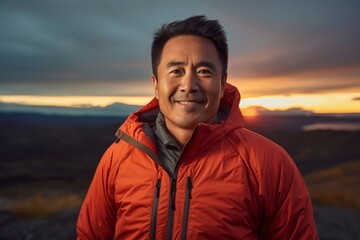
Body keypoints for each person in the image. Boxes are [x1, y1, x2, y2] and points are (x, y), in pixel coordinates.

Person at [77, 15, 318, 239]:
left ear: (222, 84)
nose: (189, 85)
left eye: (204, 71)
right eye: (176, 71)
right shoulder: (118, 159)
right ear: (155, 85)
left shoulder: (268, 163)